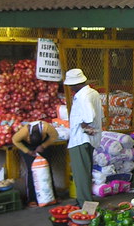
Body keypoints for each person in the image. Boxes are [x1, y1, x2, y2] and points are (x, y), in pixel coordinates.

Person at [65, 68, 103, 207]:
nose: (69, 87)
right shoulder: (93, 93)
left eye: (70, 85)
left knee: (80, 173)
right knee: (85, 170)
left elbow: (89, 116)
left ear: (75, 84)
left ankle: (85, 204)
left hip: (80, 139)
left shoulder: (83, 96)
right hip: (89, 138)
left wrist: (82, 124)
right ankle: (85, 200)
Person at [12, 119, 61, 207]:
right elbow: (15, 140)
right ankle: (32, 199)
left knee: (47, 169)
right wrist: (27, 151)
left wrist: (43, 146)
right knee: (31, 171)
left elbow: (55, 136)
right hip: (26, 146)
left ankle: (53, 196)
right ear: (28, 136)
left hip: (43, 144)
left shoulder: (46, 127)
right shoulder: (24, 132)